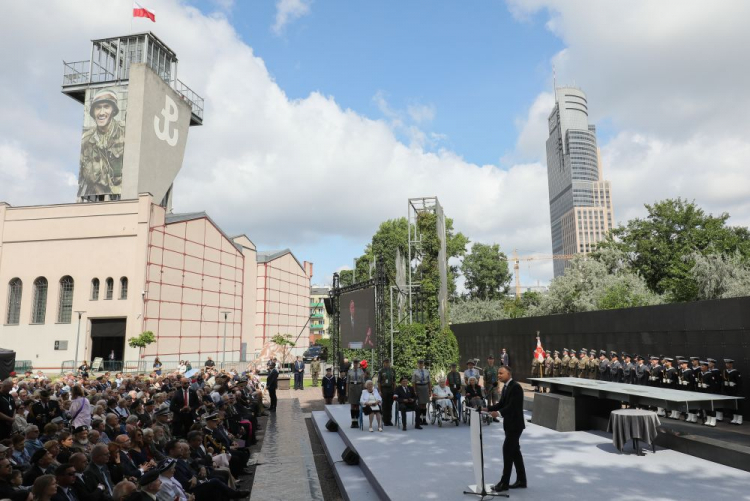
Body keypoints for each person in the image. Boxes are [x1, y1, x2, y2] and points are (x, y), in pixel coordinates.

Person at [484, 366, 526, 493]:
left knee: (507, 451)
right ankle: (522, 481)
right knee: (515, 452)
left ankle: (504, 483)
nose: (499, 375)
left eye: (501, 373)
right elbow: (502, 403)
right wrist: (489, 409)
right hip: (509, 425)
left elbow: (512, 407)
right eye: (498, 373)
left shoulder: (516, 387)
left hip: (515, 426)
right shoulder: (506, 387)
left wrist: (499, 413)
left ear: (509, 373)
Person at [78, 88, 125, 198]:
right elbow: (82, 176)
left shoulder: (125, 135)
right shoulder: (86, 140)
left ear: (113, 110)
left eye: (106, 107)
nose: (101, 112)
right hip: (95, 199)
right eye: (98, 108)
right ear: (93, 112)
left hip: (122, 199)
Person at [723, 359, 743, 425]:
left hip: (735, 391)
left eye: (728, 364)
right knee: (732, 406)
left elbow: (739, 383)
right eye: (726, 364)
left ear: (731, 364)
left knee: (738, 405)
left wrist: (734, 385)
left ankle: (739, 419)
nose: (727, 365)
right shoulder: (725, 372)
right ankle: (734, 418)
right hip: (729, 391)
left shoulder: (736, 372)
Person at [412, 360, 431, 426]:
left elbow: (429, 381)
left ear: (423, 364)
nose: (421, 365)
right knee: (420, 404)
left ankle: (424, 419)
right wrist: (414, 391)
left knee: (424, 404)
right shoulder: (415, 372)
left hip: (425, 387)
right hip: (418, 387)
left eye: (422, 364)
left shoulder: (427, 371)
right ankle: (419, 419)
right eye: (419, 364)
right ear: (417, 364)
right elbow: (413, 382)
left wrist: (430, 391)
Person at [377, 360, 396, 427]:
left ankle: (389, 420)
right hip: (384, 388)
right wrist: (380, 391)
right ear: (384, 363)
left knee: (390, 405)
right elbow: (379, 382)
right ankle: (385, 420)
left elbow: (394, 381)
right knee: (385, 405)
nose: (387, 363)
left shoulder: (392, 370)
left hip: (390, 388)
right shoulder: (381, 371)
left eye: (388, 362)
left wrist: (394, 390)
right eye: (385, 362)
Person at [346, 360, 365, 429]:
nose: (356, 364)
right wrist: (347, 392)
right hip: (352, 388)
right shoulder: (349, 371)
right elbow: (347, 382)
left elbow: (363, 381)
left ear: (358, 364)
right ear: (353, 364)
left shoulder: (361, 371)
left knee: (357, 405)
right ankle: (352, 421)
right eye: (354, 363)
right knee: (352, 404)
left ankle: (356, 421)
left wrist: (363, 391)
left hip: (359, 387)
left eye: (357, 363)